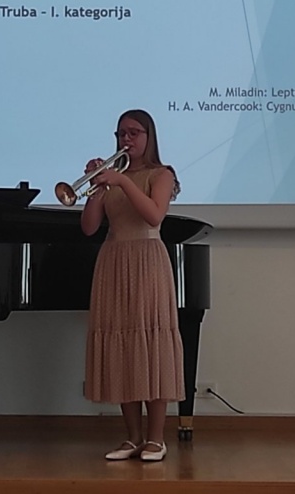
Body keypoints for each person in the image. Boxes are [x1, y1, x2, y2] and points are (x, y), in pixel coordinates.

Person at [81, 109, 185, 462]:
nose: (126, 139)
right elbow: (89, 228)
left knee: (151, 344)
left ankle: (156, 439)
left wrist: (122, 182)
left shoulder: (162, 174)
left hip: (147, 260)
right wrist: (97, 188)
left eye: (133, 133)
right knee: (121, 344)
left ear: (148, 136)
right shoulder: (112, 178)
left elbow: (154, 215)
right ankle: (133, 438)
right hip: (113, 259)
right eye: (121, 133)